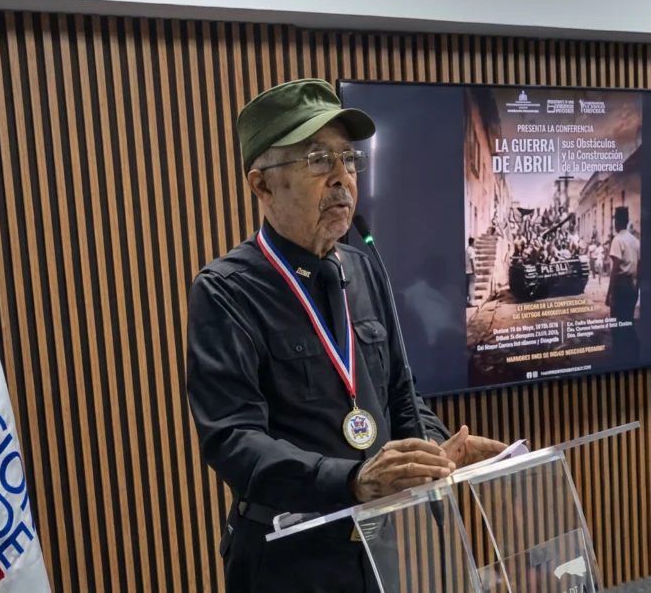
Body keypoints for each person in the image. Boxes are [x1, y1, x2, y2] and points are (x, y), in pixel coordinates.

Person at [186, 79, 507, 593]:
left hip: (378, 542)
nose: (342, 177)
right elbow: (233, 440)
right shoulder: (226, 290)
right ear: (262, 185)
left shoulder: (364, 267)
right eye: (319, 160)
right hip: (289, 558)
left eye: (349, 159)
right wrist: (352, 480)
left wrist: (434, 448)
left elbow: (400, 392)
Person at [606, 206, 641, 361]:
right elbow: (640, 267)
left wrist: (609, 294)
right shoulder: (635, 241)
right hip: (632, 286)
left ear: (618, 221)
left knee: (617, 324)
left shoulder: (618, 240)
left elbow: (615, 270)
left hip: (620, 287)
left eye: (615, 220)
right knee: (627, 321)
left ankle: (619, 356)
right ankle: (633, 353)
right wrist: (636, 288)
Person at [466, 237, 476, 307]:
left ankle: (467, 301)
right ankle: (472, 302)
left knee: (467, 287)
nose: (475, 244)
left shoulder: (466, 250)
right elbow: (472, 261)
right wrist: (474, 271)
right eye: (474, 243)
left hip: (466, 271)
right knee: (471, 287)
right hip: (471, 271)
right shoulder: (471, 250)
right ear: (472, 243)